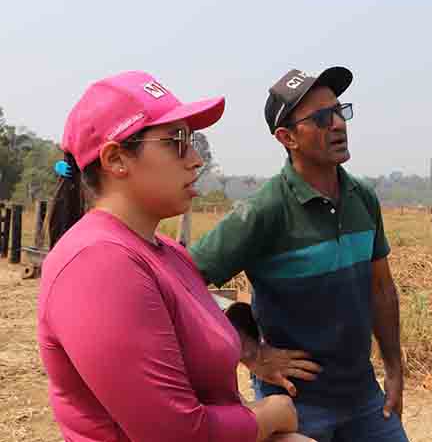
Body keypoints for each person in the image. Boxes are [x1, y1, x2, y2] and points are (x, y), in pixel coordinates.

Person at [38, 71, 311, 441]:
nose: (196, 159)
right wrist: (268, 415)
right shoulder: (97, 263)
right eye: (178, 141)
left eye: (193, 140)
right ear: (117, 159)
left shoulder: (168, 254)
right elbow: (175, 435)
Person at [189, 66, 409, 442]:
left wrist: (393, 369)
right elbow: (183, 281)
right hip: (295, 404)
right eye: (323, 118)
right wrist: (253, 356)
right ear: (287, 137)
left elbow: (381, 291)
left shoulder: (363, 199)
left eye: (341, 111)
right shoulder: (264, 211)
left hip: (364, 397)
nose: (338, 124)